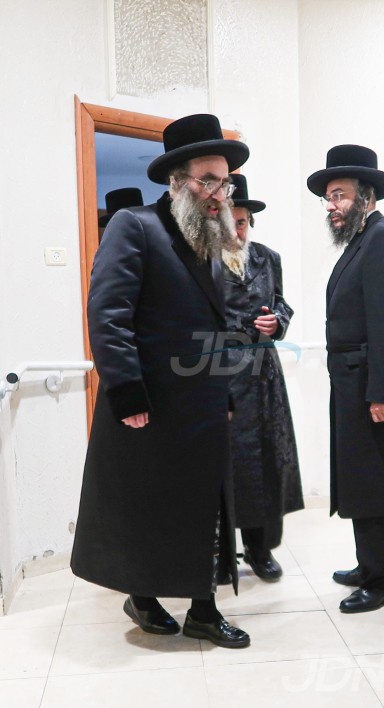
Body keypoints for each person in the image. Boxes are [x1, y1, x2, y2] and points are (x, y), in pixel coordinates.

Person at [71, 114, 251, 648]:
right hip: (150, 402)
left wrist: (225, 390)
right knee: (146, 506)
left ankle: (203, 610)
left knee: (204, 510)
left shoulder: (210, 238)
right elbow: (108, 315)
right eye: (208, 180)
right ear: (177, 181)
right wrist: (126, 391)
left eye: (225, 182)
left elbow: (215, 324)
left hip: (202, 402)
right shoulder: (135, 225)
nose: (219, 193)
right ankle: (143, 597)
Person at [306, 145, 384, 613]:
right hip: (352, 381)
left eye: (339, 195)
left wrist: (383, 392)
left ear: (366, 196)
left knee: (376, 479)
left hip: (372, 383)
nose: (331, 206)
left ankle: (383, 579)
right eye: (328, 197)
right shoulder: (361, 240)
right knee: (358, 476)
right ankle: (368, 564)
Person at [221, 174, 304, 583]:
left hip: (264, 375)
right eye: (228, 222)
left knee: (265, 463)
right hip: (219, 372)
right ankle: (219, 553)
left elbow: (281, 303)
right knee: (224, 465)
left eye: (241, 223)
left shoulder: (268, 258)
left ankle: (260, 548)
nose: (235, 232)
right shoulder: (199, 261)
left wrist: (278, 321)